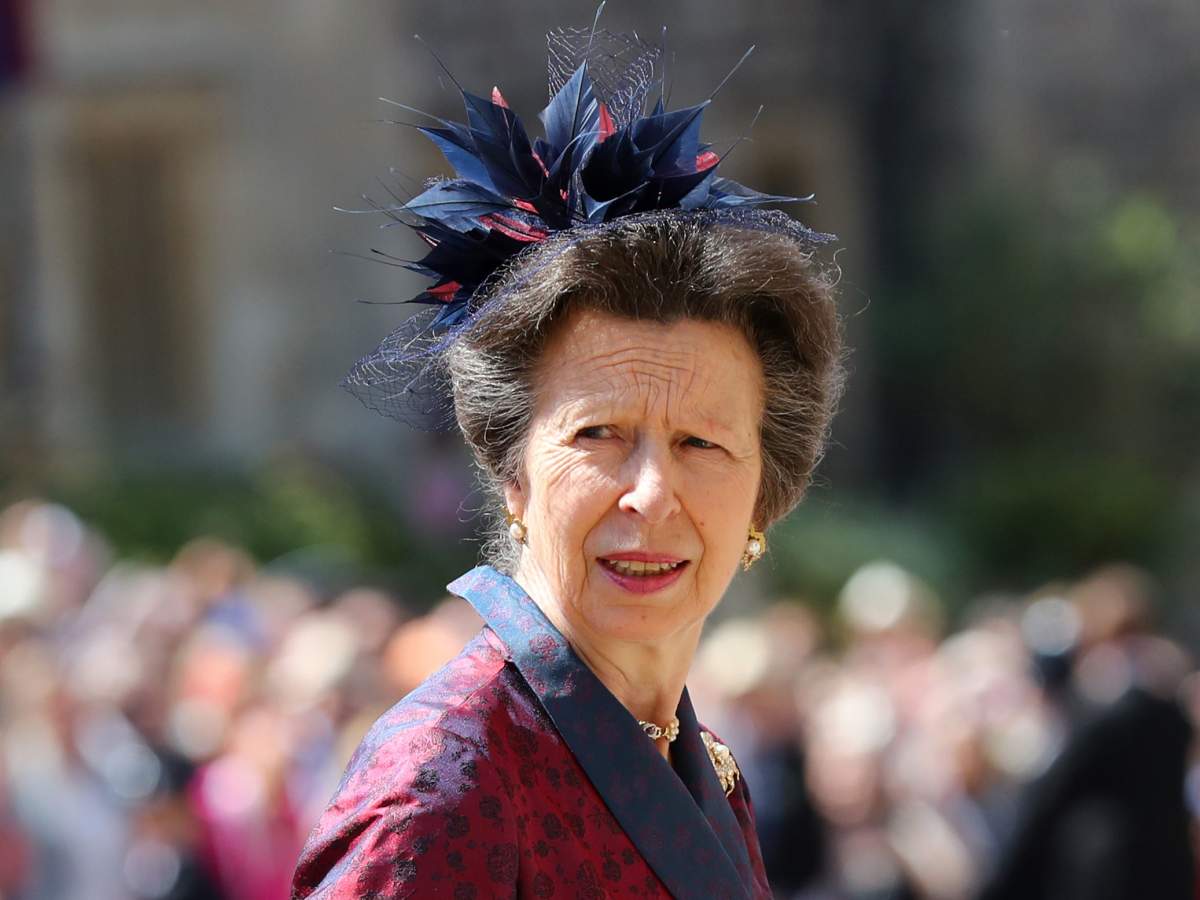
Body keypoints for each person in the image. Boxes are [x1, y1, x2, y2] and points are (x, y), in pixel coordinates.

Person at [292, 20, 843, 900]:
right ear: (512, 471)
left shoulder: (700, 767)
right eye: (599, 436)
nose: (651, 494)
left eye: (701, 444)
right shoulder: (444, 787)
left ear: (764, 500)